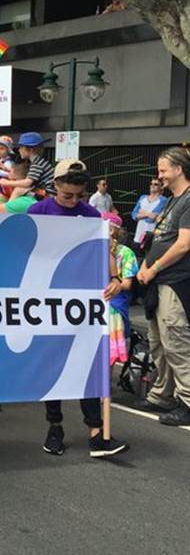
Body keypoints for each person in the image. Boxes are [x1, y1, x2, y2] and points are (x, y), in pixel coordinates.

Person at [29, 159, 128, 457]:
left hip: (81, 302)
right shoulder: (38, 211)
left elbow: (103, 254)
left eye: (78, 196)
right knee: (54, 364)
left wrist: (113, 278)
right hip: (46, 300)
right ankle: (54, 427)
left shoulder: (91, 215)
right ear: (54, 186)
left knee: (87, 363)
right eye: (67, 195)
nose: (73, 201)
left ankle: (97, 430)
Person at [135, 147, 190, 426]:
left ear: (179, 168)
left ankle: (188, 400)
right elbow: (159, 237)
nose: (160, 176)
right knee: (158, 341)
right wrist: (146, 267)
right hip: (158, 281)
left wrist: (153, 268)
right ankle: (162, 394)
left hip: (175, 281)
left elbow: (184, 244)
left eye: (163, 170)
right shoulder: (173, 200)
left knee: (176, 341)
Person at [102, 212, 138, 365]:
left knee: (109, 352)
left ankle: (106, 387)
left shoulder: (126, 253)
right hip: (97, 304)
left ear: (112, 231)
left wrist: (113, 286)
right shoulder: (94, 250)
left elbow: (127, 284)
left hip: (115, 305)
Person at [0, 132, 54, 201]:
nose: (19, 150)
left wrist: (7, 183)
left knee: (18, 190)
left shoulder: (37, 164)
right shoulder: (39, 161)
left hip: (48, 195)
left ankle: (7, 210)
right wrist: (7, 170)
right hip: (45, 192)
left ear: (30, 150)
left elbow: (27, 183)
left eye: (21, 147)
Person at [131, 178, 167, 250]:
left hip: (151, 237)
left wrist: (143, 213)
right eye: (151, 184)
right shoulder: (142, 197)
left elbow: (152, 218)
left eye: (155, 184)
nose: (152, 186)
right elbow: (134, 215)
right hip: (138, 236)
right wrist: (148, 214)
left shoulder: (163, 200)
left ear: (161, 187)